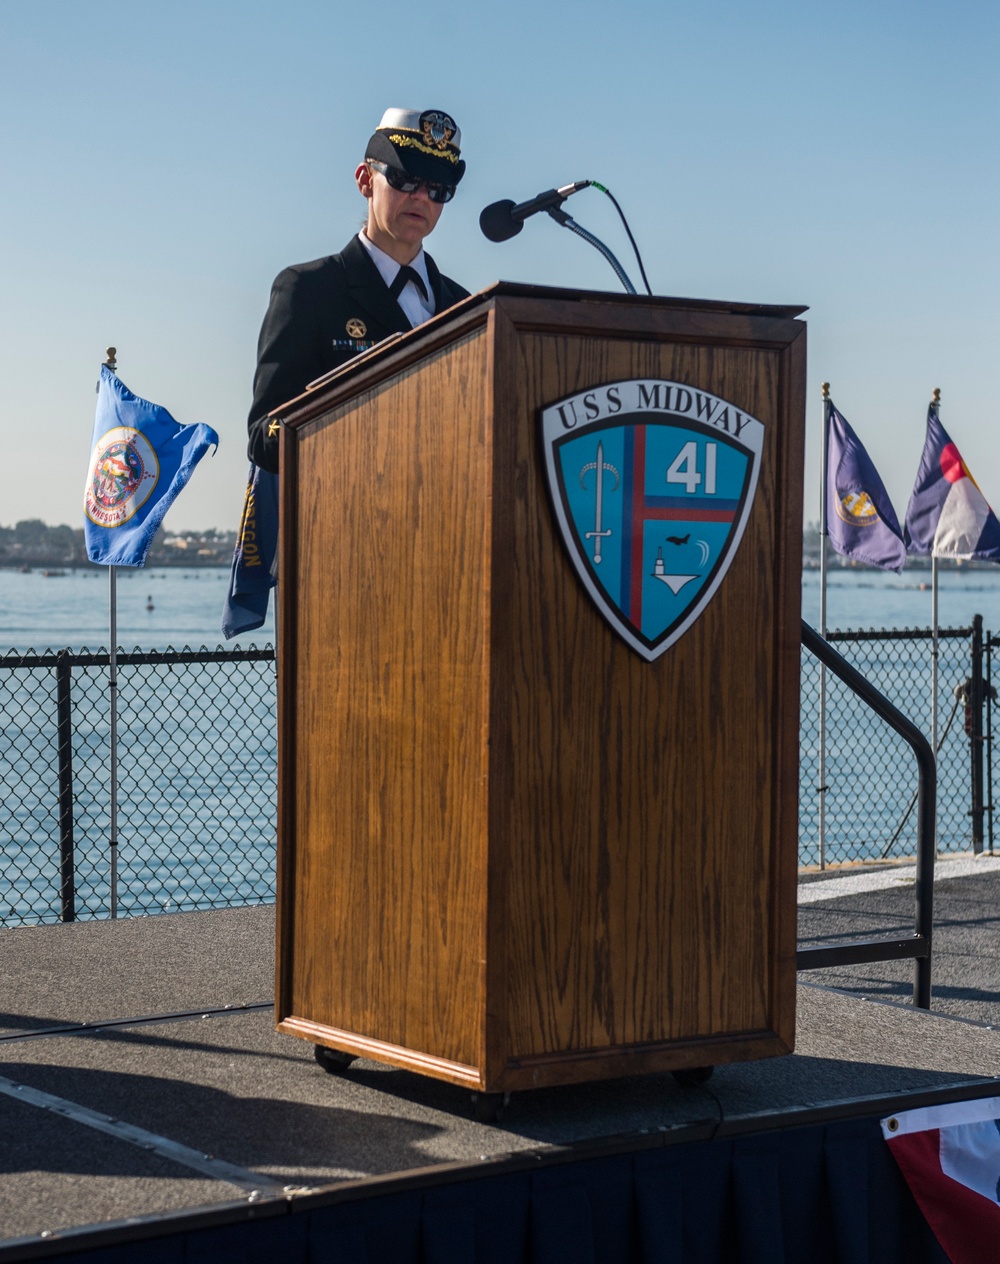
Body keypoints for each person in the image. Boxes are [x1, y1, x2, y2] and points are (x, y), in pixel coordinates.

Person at [247, 107, 470, 473]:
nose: (422, 197)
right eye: (406, 179)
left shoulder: (465, 307)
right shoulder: (308, 290)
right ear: (365, 180)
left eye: (439, 188)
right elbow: (264, 438)